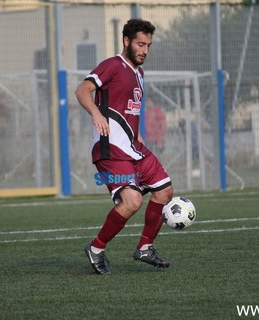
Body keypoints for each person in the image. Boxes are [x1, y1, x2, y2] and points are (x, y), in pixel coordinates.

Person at [75, 18, 173, 275]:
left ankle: (144, 247)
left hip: (133, 148)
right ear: (126, 41)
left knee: (164, 191)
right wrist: (96, 115)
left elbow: (130, 110)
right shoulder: (112, 65)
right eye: (140, 44)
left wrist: (138, 136)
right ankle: (96, 248)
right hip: (110, 150)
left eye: (149, 45)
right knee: (132, 201)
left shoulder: (139, 73)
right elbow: (82, 90)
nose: (144, 50)